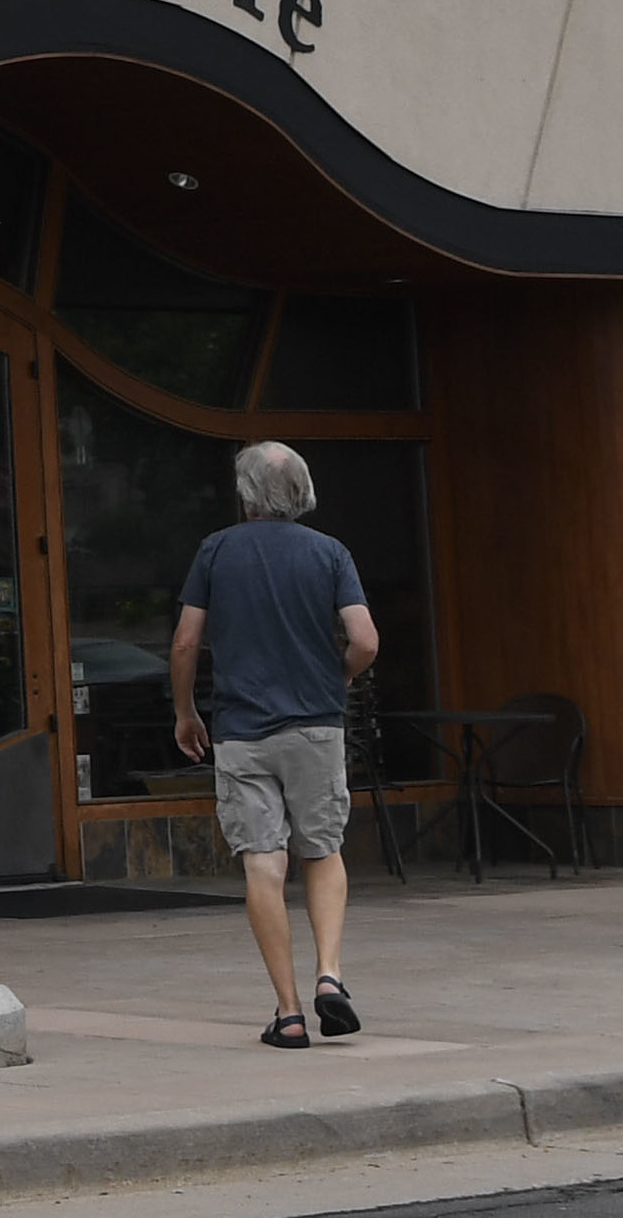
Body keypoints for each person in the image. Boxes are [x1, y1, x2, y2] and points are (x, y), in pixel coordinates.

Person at [172, 440, 379, 1051]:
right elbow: (365, 640)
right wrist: (335, 676)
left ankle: (288, 1014)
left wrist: (186, 712)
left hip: (240, 731)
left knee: (264, 863)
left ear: (246, 494)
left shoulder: (217, 550)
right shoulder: (329, 553)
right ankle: (330, 977)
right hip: (316, 725)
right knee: (322, 850)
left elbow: (185, 643)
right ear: (304, 491)